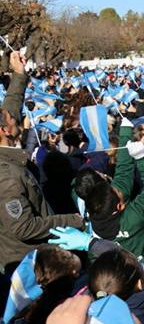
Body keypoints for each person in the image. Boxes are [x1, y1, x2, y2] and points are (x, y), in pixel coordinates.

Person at [0, 52, 82, 271]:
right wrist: (71, 220)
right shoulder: (7, 176)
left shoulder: (7, 150)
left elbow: (11, 106)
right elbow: (24, 227)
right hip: (28, 264)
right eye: (10, 117)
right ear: (5, 130)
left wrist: (18, 75)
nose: (14, 114)